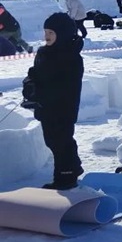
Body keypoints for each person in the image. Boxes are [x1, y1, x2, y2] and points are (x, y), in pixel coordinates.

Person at [22, 12, 84, 189]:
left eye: (51, 33)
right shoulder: (44, 53)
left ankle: (65, 177)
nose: (46, 36)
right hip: (46, 107)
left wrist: (40, 93)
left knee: (61, 142)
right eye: (46, 32)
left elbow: (65, 86)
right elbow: (34, 73)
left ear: (62, 34)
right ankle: (74, 166)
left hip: (63, 108)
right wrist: (29, 84)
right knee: (52, 140)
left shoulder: (71, 57)